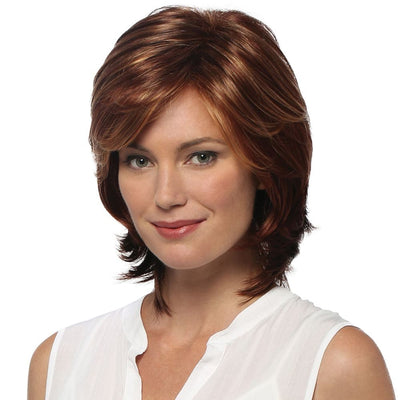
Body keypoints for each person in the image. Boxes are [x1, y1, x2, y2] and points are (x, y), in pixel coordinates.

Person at [28, 6, 395, 400]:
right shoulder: (59, 365)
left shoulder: (333, 365)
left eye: (201, 157)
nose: (166, 195)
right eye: (139, 160)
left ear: (264, 162)